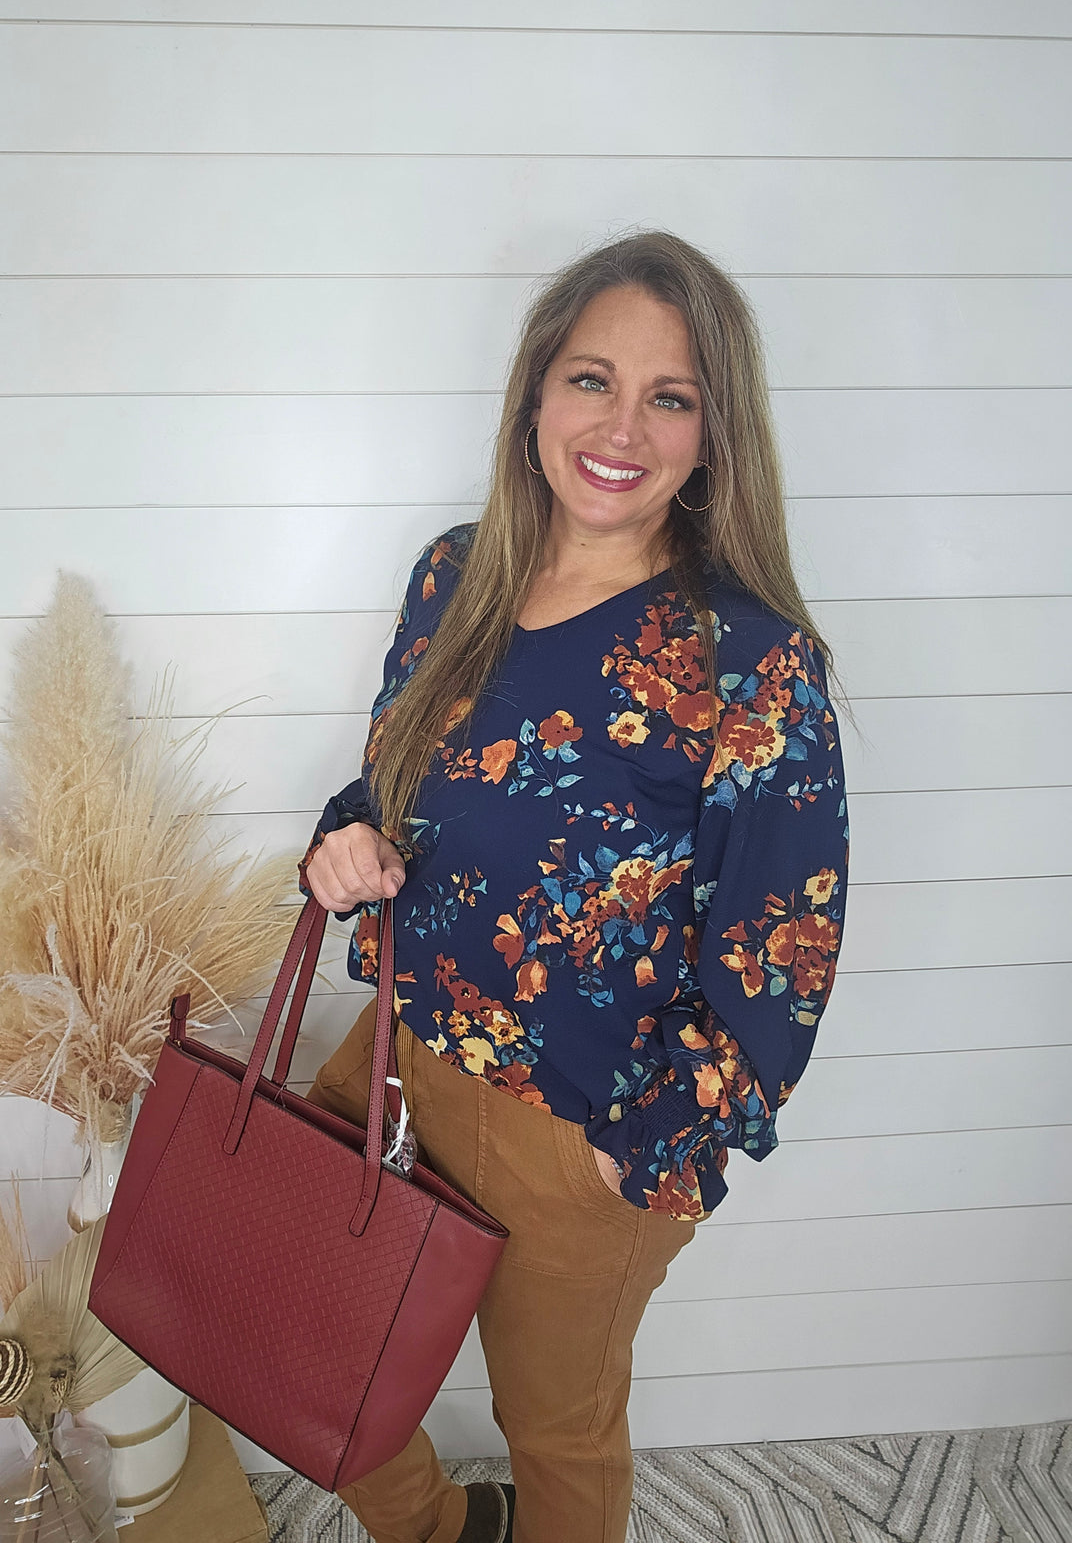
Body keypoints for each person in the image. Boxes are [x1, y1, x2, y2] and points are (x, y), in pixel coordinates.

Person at [298, 230, 850, 1543]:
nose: (623, 426)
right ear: (535, 395)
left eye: (671, 397)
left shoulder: (748, 665)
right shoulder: (454, 575)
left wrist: (645, 1147)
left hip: (583, 1131)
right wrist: (343, 845)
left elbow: (780, 951)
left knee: (557, 1431)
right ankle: (437, 1528)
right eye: (591, 380)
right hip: (398, 1057)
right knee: (323, 1344)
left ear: (714, 435)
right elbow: (387, 785)